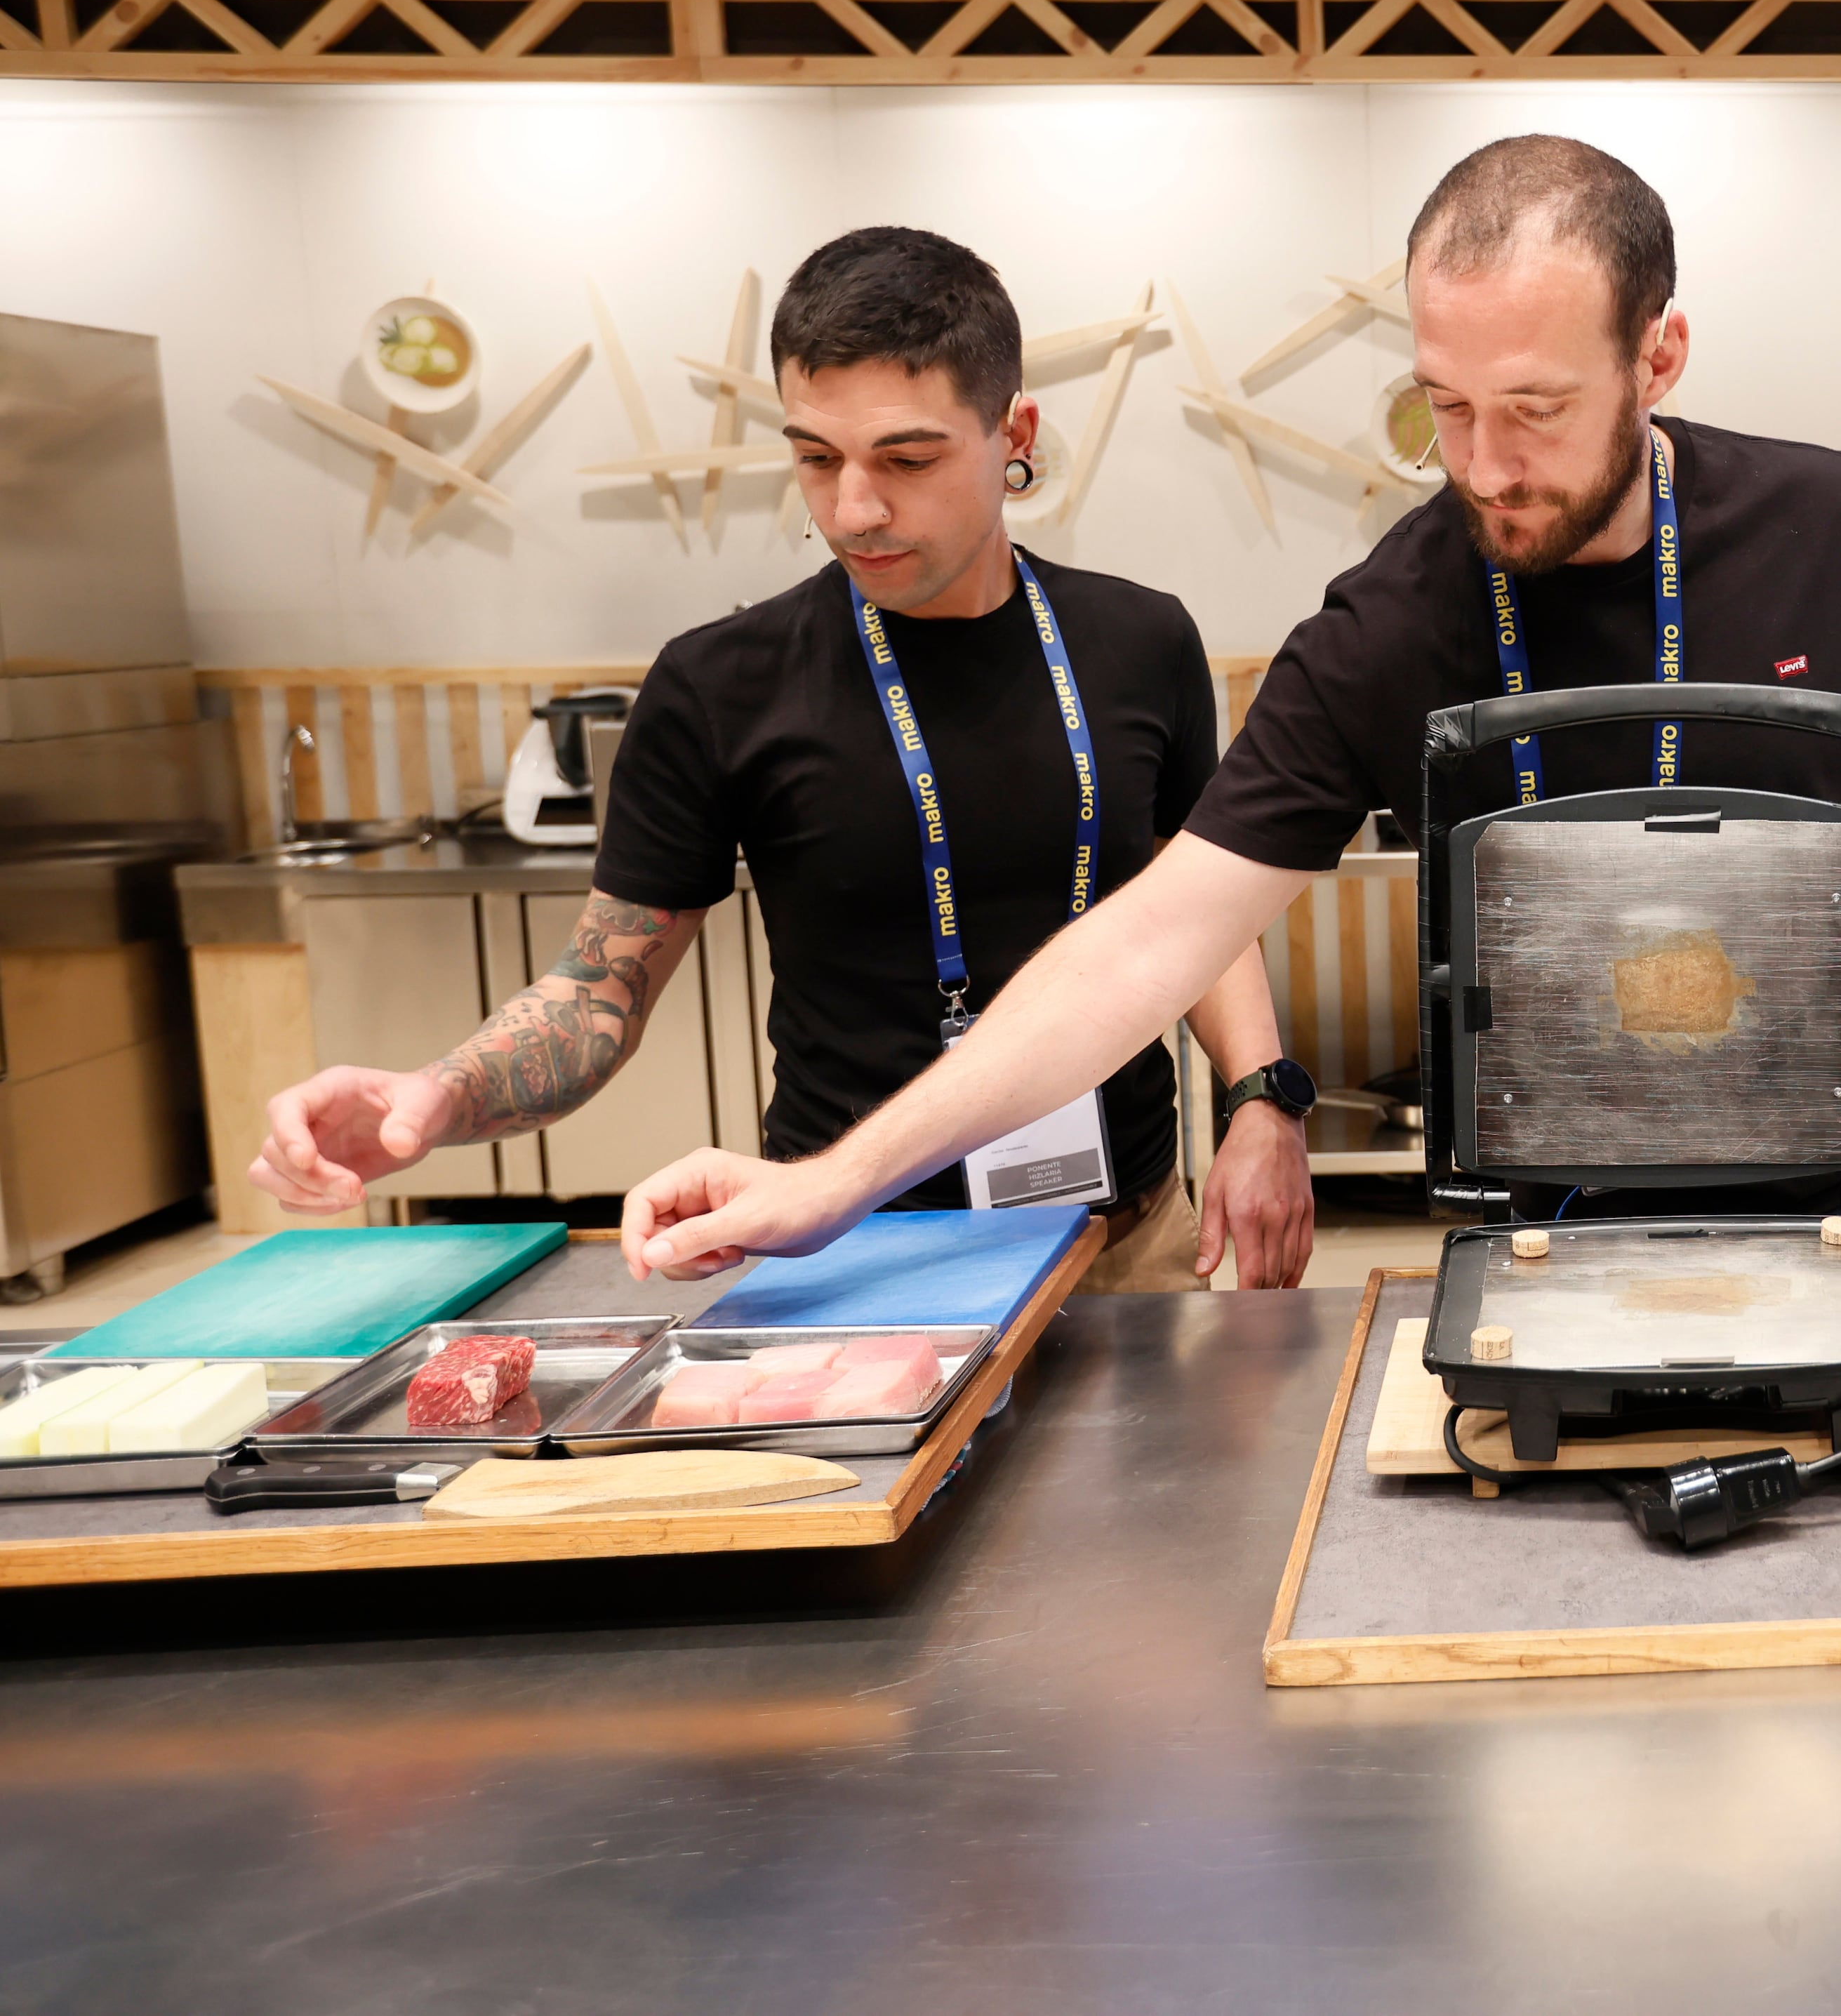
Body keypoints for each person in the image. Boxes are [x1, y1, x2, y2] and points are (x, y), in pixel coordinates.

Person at [616, 138, 1841, 1282]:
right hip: (1554, 1216)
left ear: (1660, 352)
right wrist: (837, 1180)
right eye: (1445, 406)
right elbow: (1147, 938)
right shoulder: (1399, 614)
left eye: (1535, 409)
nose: (1484, 464)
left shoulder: (1831, 522)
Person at [251, 225, 1318, 1289]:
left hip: (1124, 1230)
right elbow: (597, 992)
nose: (854, 510)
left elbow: (1197, 904)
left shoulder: (1140, 643)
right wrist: (439, 1091)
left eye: (907, 459)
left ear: (1014, 431)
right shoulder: (720, 685)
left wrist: (1259, 1095)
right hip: (846, 1242)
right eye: (816, 458)